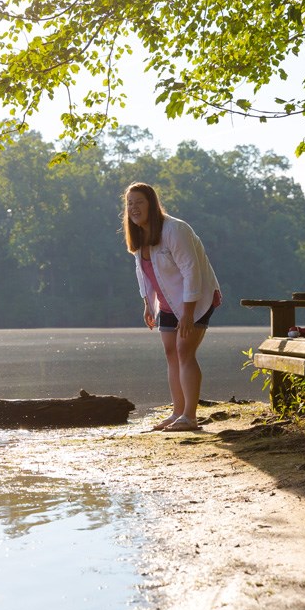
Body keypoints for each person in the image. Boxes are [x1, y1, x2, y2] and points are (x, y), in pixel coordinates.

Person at [123, 182, 222, 432]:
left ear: (152, 204)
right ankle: (177, 412)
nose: (134, 208)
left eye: (139, 202)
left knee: (184, 350)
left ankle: (190, 416)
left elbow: (192, 271)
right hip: (166, 302)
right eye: (129, 203)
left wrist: (188, 313)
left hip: (196, 299)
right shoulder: (140, 235)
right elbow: (143, 273)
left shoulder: (175, 230)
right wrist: (147, 304)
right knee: (171, 353)